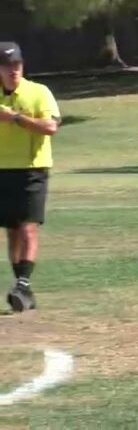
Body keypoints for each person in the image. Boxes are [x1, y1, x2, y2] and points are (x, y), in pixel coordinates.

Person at [0, 42, 59, 313]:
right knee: (11, 230)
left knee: (28, 226)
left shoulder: (38, 93)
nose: (13, 70)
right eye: (7, 66)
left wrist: (14, 119)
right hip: (2, 170)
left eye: (17, 65)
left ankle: (22, 285)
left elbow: (50, 127)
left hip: (32, 168)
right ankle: (22, 288)